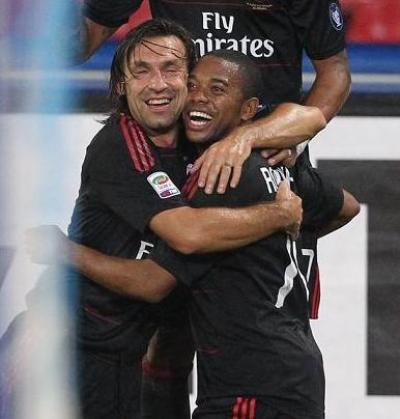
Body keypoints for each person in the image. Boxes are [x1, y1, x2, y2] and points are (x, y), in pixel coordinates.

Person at [4, 19, 311, 419]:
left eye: (171, 69)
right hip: (62, 348)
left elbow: (309, 118)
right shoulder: (119, 145)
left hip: (121, 357)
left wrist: (250, 136)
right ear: (121, 86)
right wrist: (279, 214)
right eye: (142, 71)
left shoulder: (202, 138)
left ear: (189, 80)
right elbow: (183, 241)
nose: (158, 84)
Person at [75, 0, 351, 191]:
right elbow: (79, 44)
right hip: (176, 153)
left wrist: (293, 138)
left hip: (266, 155)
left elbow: (335, 72)